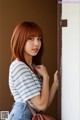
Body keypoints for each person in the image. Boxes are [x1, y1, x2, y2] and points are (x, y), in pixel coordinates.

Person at [8, 21, 59, 120]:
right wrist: (46, 77)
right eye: (31, 39)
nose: (37, 43)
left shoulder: (32, 68)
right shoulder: (19, 67)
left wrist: (56, 83)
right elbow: (41, 105)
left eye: (39, 39)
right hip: (22, 116)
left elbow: (44, 103)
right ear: (20, 40)